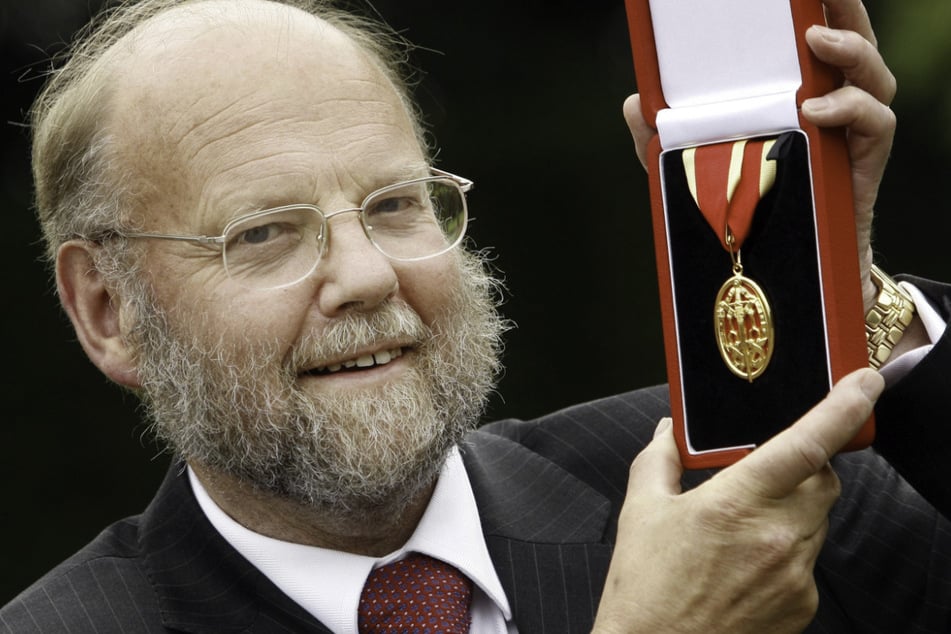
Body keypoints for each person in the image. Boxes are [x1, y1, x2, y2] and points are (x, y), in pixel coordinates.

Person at [1, 0, 948, 632]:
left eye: (395, 205)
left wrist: (826, 283)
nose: (367, 276)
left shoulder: (729, 482)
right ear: (108, 310)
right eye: (263, 234)